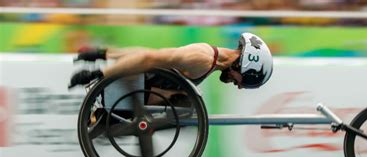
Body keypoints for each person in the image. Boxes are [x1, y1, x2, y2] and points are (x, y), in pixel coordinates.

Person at [68, 32, 273, 90]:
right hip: (136, 91)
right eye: (243, 81)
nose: (239, 86)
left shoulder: (212, 63)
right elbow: (148, 58)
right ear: (244, 64)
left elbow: (149, 53)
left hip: (146, 90)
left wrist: (102, 54)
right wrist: (99, 75)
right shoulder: (201, 58)